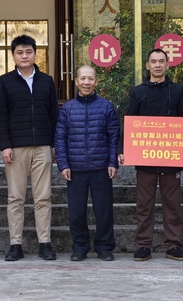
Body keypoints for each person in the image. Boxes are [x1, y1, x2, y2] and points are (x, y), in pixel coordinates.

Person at [119, 48, 183, 261]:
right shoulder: (138, 92)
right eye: (154, 61)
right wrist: (122, 149)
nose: (158, 65)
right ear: (148, 65)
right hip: (145, 157)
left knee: (173, 204)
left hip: (172, 157)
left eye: (162, 61)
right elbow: (130, 121)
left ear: (167, 65)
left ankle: (174, 245)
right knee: (144, 204)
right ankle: (143, 245)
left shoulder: (177, 91)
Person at [0, 34, 59, 261]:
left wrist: (54, 144)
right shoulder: (4, 81)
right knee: (16, 198)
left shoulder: (46, 81)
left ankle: (45, 243)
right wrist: (4, 145)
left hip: (42, 146)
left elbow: (53, 114)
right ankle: (15, 245)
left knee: (43, 197)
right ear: (13, 56)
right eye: (19, 52)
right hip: (16, 148)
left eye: (28, 52)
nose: (24, 56)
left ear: (35, 54)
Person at [55, 65, 119, 262]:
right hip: (75, 169)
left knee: (104, 211)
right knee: (76, 213)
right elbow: (60, 138)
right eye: (83, 78)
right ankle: (80, 247)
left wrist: (112, 162)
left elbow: (113, 136)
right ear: (76, 81)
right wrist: (63, 164)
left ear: (96, 82)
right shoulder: (67, 109)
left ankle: (104, 247)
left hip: (101, 167)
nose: (86, 82)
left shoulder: (106, 106)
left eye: (90, 79)